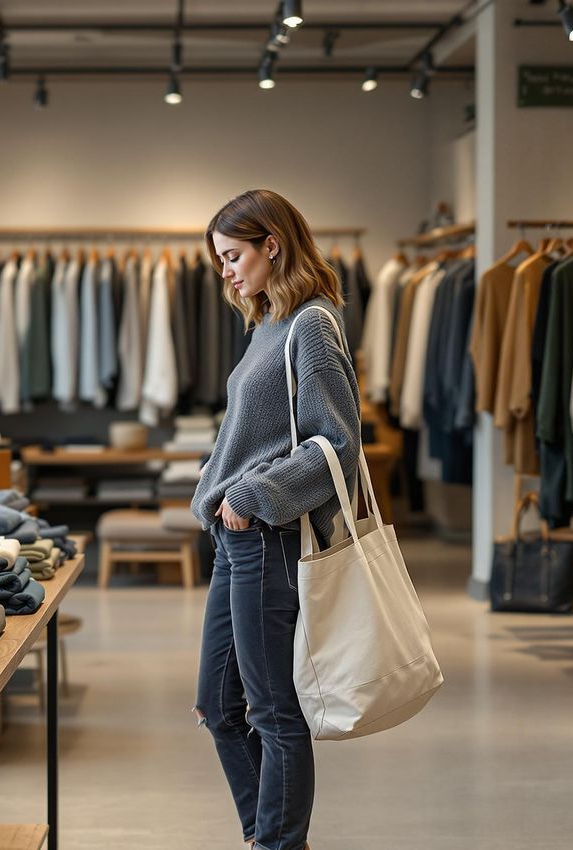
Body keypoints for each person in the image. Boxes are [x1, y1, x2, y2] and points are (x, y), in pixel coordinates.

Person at [190, 188, 362, 850]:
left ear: (273, 244)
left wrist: (251, 496)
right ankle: (273, 841)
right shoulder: (268, 322)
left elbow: (338, 447)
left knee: (271, 713)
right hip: (235, 541)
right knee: (218, 707)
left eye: (233, 255)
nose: (227, 271)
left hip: (267, 537)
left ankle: (277, 845)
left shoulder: (312, 325)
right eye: (220, 260)